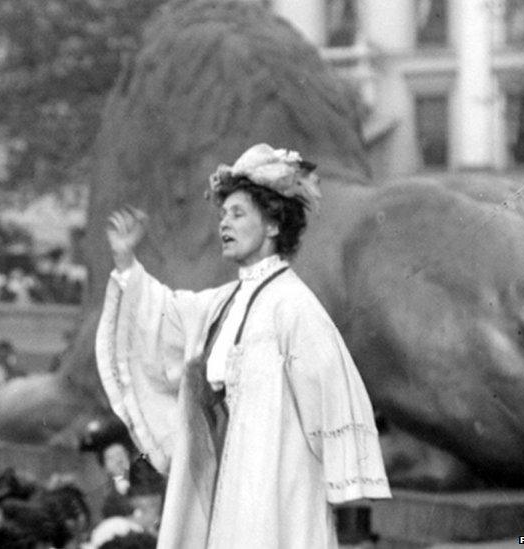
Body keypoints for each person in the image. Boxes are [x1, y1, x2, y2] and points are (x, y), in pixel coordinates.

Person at [95, 144, 390, 548]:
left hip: (275, 486)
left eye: (238, 214)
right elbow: (166, 315)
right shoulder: (225, 300)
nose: (224, 225)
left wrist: (340, 475)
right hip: (225, 477)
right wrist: (127, 262)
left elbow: (330, 388)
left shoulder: (295, 306)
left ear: (272, 225)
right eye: (222, 215)